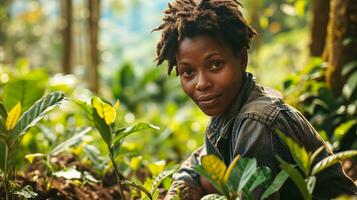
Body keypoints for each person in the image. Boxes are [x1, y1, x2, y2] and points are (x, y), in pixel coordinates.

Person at [153, 0, 357, 199]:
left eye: (215, 65)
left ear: (241, 59)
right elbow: (199, 163)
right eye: (188, 72)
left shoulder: (256, 120)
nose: (201, 83)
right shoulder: (228, 109)